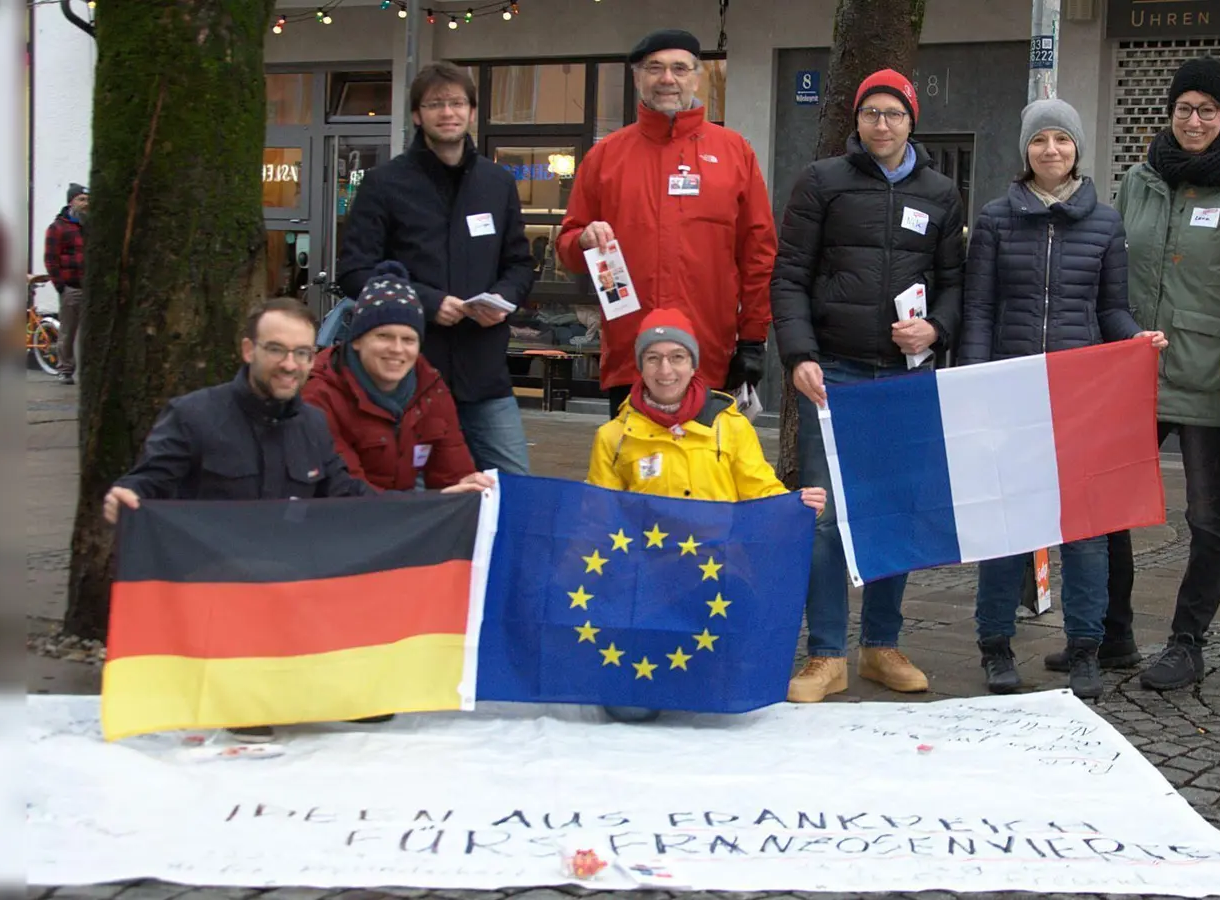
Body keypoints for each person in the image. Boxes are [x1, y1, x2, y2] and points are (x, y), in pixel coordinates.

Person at [958, 98, 1168, 701]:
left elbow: (1111, 308)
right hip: (1011, 389)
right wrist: (975, 381)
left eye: (1062, 140)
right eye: (1040, 140)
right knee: (1008, 528)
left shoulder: (1104, 222)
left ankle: (1085, 649)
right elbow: (978, 310)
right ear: (1025, 150)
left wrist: (1135, 338)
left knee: (1085, 532)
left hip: (1081, 398)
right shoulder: (996, 219)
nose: (1051, 150)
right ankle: (995, 644)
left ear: (1077, 148)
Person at [102, 298, 382, 743]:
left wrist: (434, 507)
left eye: (303, 353)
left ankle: (328, 688)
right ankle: (249, 692)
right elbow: (150, 480)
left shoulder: (312, 423)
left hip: (294, 592)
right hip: (218, 597)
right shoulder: (194, 416)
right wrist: (128, 495)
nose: (290, 365)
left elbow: (348, 496)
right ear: (248, 350)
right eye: (276, 350)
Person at [771, 69, 965, 704]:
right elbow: (790, 276)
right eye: (871, 113)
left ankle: (880, 644)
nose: (882, 124)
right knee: (823, 516)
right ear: (856, 121)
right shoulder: (822, 182)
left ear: (912, 120)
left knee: (894, 512)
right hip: (834, 373)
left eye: (894, 113)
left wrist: (935, 328)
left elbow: (956, 283)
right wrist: (798, 353)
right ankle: (826, 653)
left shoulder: (940, 192)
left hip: (903, 379)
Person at [1095, 57, 1220, 693]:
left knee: (1207, 516)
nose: (1194, 121)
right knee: (1108, 505)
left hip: (1210, 376)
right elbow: (1112, 267)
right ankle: (1111, 632)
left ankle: (1187, 641)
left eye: (1207, 111)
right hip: (1136, 373)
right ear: (1169, 113)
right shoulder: (1139, 181)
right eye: (1184, 109)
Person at [586, 308, 826, 722]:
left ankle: (708, 664)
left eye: (677, 357)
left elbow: (759, 490)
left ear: (693, 363)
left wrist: (794, 502)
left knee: (722, 696)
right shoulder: (614, 438)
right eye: (653, 358)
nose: (666, 370)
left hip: (717, 575)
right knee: (629, 709)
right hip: (650, 584)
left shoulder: (729, 426)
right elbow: (599, 522)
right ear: (639, 364)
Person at [556, 29, 777, 416]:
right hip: (633, 355)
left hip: (708, 354)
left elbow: (759, 253)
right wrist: (582, 241)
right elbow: (569, 246)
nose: (667, 79)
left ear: (697, 76)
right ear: (637, 76)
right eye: (654, 68)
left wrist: (754, 339)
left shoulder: (734, 152)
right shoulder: (605, 156)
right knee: (633, 474)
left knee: (707, 473)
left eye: (679, 68)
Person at [339, 61, 536, 476]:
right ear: (417, 115)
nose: (447, 112)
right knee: (414, 490)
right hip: (408, 373)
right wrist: (425, 302)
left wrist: (504, 299)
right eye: (435, 104)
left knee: (513, 486)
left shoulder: (497, 182)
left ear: (471, 111)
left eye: (457, 103)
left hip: (484, 372)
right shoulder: (384, 183)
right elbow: (355, 271)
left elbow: (519, 262)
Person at [302, 261, 497, 495]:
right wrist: (431, 505)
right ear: (356, 340)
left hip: (405, 516)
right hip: (336, 523)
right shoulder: (319, 395)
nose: (397, 349)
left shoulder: (430, 386)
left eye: (408, 340)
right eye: (384, 336)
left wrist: (466, 486)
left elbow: (452, 476)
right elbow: (345, 492)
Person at [43, 183, 88, 384]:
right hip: (71, 287)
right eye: (81, 199)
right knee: (68, 331)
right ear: (71, 202)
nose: (86, 203)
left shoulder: (92, 226)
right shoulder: (58, 228)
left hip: (91, 288)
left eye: (88, 200)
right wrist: (60, 285)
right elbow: (51, 258)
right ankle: (65, 369)